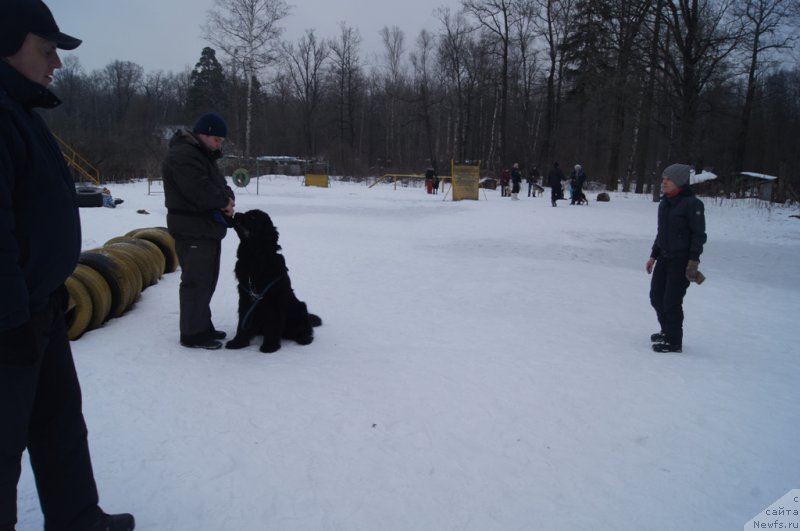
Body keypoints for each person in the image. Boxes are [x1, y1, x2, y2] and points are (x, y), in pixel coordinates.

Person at [0, 1, 135, 530]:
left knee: (58, 424)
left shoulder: (22, 112)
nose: (57, 63)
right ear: (8, 41)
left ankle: (78, 519)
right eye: (47, 49)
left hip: (42, 308)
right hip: (10, 323)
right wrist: (9, 321)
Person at [163, 112, 235, 350]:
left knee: (206, 281)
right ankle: (193, 334)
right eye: (217, 140)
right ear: (204, 134)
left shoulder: (202, 155)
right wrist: (223, 202)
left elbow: (218, 184)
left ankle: (203, 326)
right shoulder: (183, 156)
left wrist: (228, 198)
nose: (219, 145)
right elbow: (199, 190)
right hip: (192, 229)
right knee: (196, 282)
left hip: (206, 229)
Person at [646, 163, 707, 353]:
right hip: (664, 257)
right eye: (663, 179)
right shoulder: (665, 203)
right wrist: (653, 256)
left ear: (679, 181)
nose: (663, 183)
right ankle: (666, 331)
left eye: (668, 179)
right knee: (656, 297)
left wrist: (693, 261)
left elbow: (699, 235)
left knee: (671, 301)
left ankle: (674, 341)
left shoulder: (692, 204)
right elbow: (661, 233)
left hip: (681, 260)